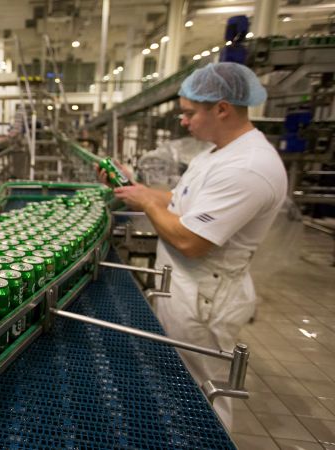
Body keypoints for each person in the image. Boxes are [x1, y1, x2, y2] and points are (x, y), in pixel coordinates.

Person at [99, 62, 288, 429]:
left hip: (205, 296)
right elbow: (180, 201)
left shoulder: (247, 167)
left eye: (189, 113)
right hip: (188, 286)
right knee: (180, 381)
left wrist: (146, 203)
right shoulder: (218, 153)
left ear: (222, 108)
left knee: (203, 390)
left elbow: (190, 240)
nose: (183, 121)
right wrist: (133, 188)